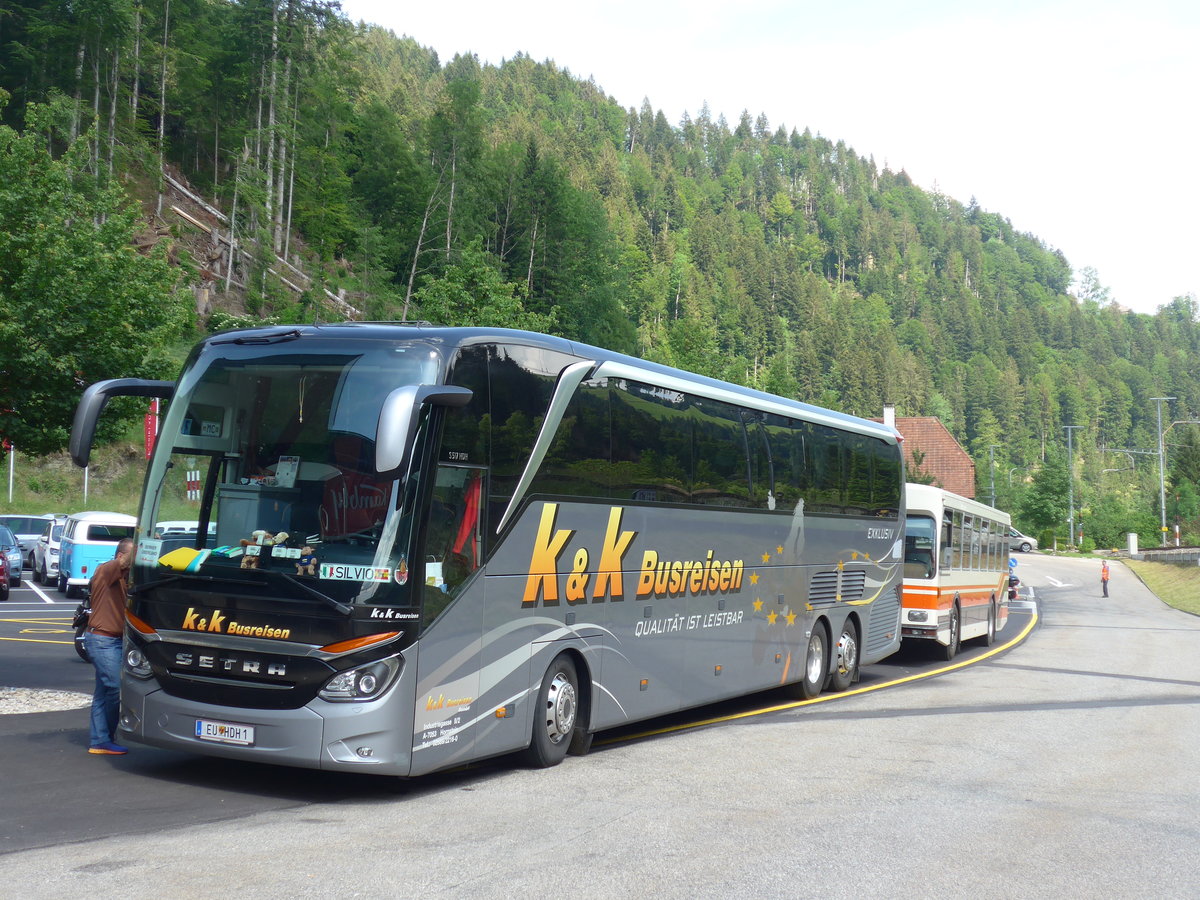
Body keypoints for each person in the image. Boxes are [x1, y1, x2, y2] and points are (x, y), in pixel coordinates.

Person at [85, 537, 134, 755]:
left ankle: (100, 740)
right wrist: (145, 544)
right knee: (114, 686)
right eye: (133, 555)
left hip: (111, 640)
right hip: (103, 640)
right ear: (120, 556)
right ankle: (104, 737)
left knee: (103, 692)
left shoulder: (124, 577)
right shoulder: (106, 570)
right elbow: (125, 562)